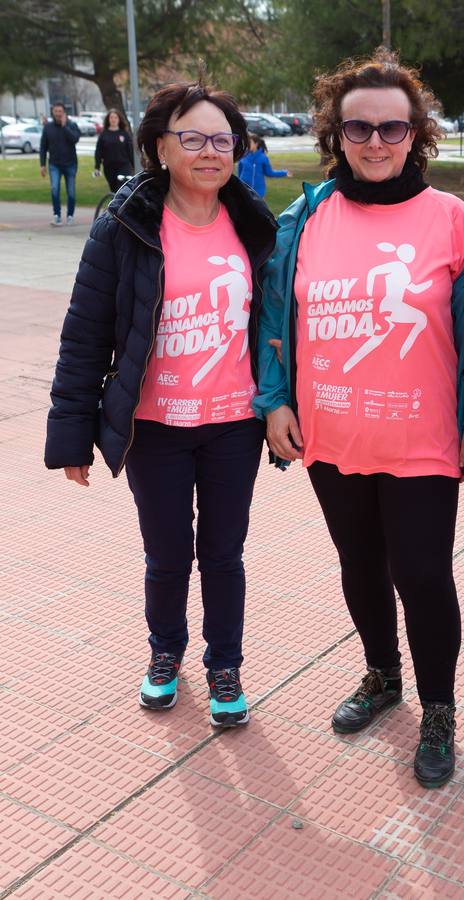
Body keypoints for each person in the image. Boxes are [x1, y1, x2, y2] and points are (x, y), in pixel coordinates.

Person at [254, 48, 464, 788]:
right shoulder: (306, 216)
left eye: (392, 128)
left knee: (420, 574)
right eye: (358, 128)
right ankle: (383, 677)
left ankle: (439, 708)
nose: (375, 143)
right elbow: (276, 316)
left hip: (422, 438)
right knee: (359, 566)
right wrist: (275, 398)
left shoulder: (454, 220)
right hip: (332, 433)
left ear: (416, 133)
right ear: (335, 134)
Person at [45, 80, 277, 728]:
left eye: (223, 139)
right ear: (159, 147)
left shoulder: (254, 224)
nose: (211, 151)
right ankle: (164, 652)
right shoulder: (123, 226)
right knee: (168, 553)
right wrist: (71, 435)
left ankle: (224, 662)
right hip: (156, 427)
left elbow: (277, 325)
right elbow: (85, 334)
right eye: (194, 138)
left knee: (224, 553)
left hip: (234, 423)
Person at [39, 102, 81, 226]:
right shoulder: (48, 127)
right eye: (56, 111)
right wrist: (42, 165)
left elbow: (75, 139)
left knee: (71, 191)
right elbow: (43, 147)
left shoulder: (72, 125)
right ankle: (57, 215)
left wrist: (64, 127)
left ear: (64, 112)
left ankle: (70, 216)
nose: (58, 113)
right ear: (53, 112)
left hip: (70, 164)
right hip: (54, 164)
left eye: (60, 111)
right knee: (55, 189)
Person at [93, 108, 136, 192]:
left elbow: (130, 151)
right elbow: (98, 151)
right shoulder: (104, 134)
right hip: (109, 167)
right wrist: (97, 167)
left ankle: (123, 204)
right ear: (108, 119)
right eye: (111, 117)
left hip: (124, 165)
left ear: (119, 119)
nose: (113, 119)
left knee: (122, 188)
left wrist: (134, 165)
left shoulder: (124, 134)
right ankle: (116, 205)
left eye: (115, 117)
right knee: (114, 191)